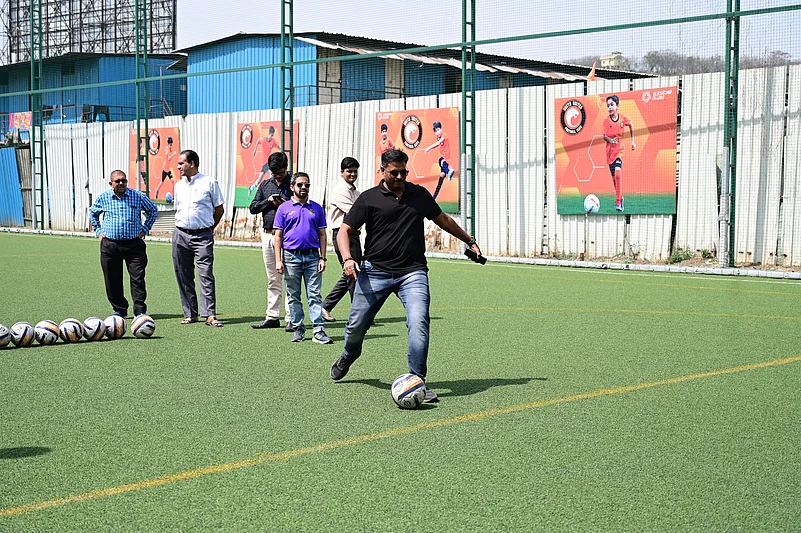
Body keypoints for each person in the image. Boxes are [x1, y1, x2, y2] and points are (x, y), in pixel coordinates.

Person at [329, 149, 482, 402]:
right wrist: (347, 259)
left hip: (413, 272)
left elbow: (442, 218)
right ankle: (349, 354)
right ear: (383, 171)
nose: (400, 176)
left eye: (403, 171)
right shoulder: (368, 199)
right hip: (374, 271)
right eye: (394, 172)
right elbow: (345, 230)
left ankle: (417, 380)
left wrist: (470, 241)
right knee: (356, 327)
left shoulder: (418, 195)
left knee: (419, 321)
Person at [89, 170, 158, 319]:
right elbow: (93, 213)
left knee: (137, 278)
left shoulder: (137, 196)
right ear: (111, 183)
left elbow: (153, 210)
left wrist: (145, 228)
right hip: (110, 244)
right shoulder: (104, 198)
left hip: (134, 245)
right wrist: (99, 231)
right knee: (112, 278)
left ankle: (139, 311)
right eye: (117, 181)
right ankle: (119, 309)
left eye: (123, 181)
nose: (121, 183)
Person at [273, 172, 333, 344]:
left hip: (313, 257)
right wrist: (278, 260)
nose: (304, 188)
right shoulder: (283, 209)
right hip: (291, 258)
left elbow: (322, 235)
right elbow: (278, 236)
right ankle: (298, 328)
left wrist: (323, 258)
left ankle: (318, 330)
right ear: (292, 187)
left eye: (307, 185)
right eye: (300, 185)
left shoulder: (316, 208)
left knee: (314, 295)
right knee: (293, 295)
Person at [172, 149, 225, 327]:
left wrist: (209, 228)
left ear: (192, 163)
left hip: (202, 235)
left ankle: (209, 314)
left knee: (206, 274)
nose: (178, 166)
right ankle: (190, 313)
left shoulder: (209, 182)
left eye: (181, 163)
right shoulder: (178, 185)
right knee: (183, 274)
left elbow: (219, 209)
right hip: (180, 234)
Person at [249, 151, 293, 331]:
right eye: (274, 173)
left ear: (286, 168)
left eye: (280, 173)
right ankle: (273, 316)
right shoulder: (265, 184)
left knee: (291, 278)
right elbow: (252, 207)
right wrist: (268, 202)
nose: (277, 176)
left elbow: (301, 207)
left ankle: (292, 318)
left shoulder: (294, 184)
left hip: (289, 236)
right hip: (267, 235)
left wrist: (283, 204)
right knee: (272, 278)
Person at [321, 157, 362, 323]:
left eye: (354, 171)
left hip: (354, 235)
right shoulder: (340, 191)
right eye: (349, 171)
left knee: (353, 271)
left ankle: (326, 306)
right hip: (342, 234)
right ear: (342, 172)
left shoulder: (355, 190)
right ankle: (358, 312)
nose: (352, 174)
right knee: (352, 271)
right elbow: (356, 213)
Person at [602, 94, 636, 212]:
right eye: (608, 106)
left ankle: (617, 202)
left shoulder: (623, 118)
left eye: (612, 105)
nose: (610, 107)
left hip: (619, 150)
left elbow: (631, 125)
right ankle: (621, 198)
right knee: (614, 180)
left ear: (617, 106)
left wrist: (633, 141)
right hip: (609, 153)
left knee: (618, 173)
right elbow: (604, 136)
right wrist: (610, 140)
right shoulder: (606, 121)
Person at [423, 121, 455, 199]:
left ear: (441, 129)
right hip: (444, 160)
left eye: (438, 130)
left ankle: (449, 171)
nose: (437, 132)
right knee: (442, 176)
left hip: (444, 158)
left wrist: (428, 148)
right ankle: (434, 197)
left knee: (440, 160)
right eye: (435, 131)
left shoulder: (444, 135)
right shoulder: (438, 137)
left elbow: (438, 144)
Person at [249, 125, 281, 198]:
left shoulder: (273, 141)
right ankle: (270, 191)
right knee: (271, 175)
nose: (271, 137)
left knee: (260, 179)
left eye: (272, 135)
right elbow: (257, 141)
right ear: (269, 134)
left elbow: (278, 146)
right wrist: (254, 150)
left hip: (267, 162)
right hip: (265, 163)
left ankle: (251, 188)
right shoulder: (263, 140)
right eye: (271, 135)